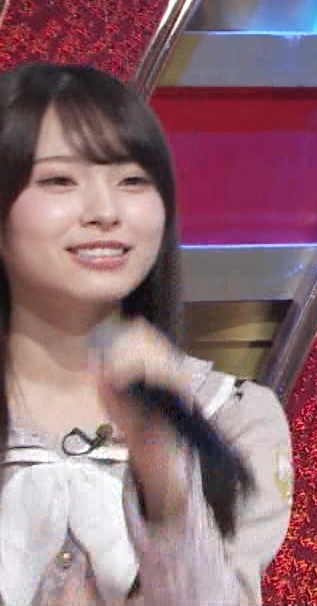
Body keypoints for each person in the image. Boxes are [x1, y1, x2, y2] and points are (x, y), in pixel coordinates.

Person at [0, 63, 294, 605]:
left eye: (133, 181)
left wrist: (163, 468)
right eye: (60, 180)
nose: (105, 211)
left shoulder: (230, 419)